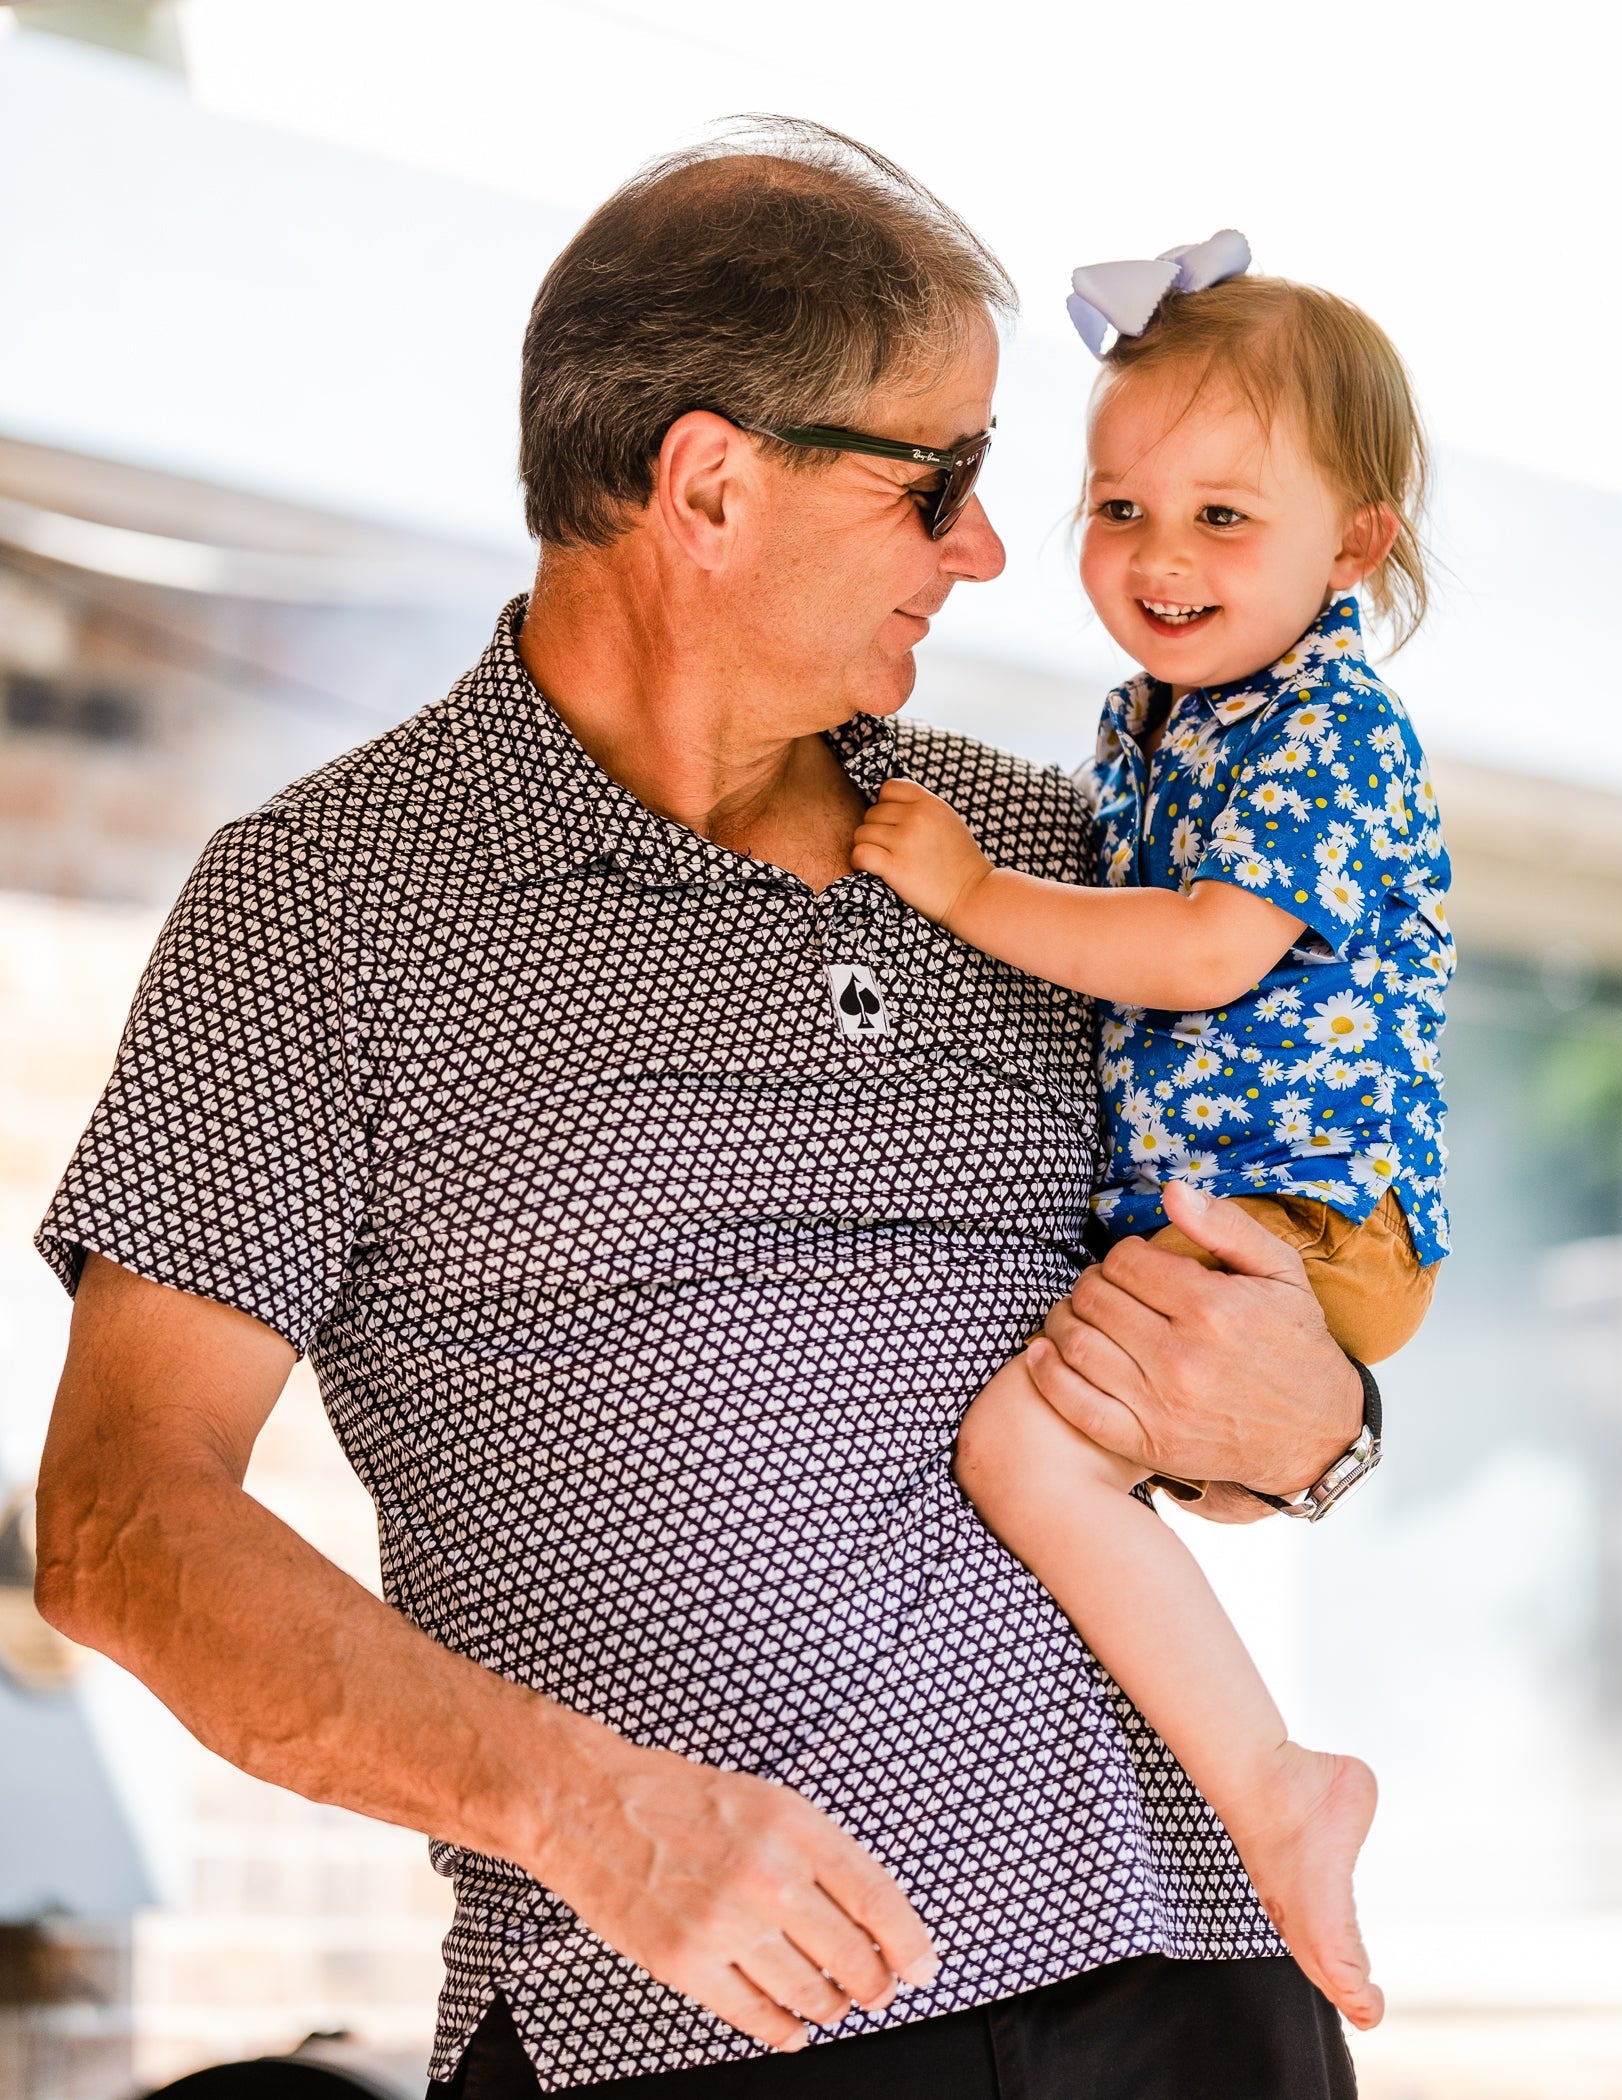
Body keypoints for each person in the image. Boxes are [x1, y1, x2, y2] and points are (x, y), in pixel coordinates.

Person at [32, 128, 1375, 2098]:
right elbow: (121, 1527)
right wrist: (595, 1818)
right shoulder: (317, 903)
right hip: (694, 2023)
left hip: (1200, 1975)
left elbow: (1286, 1319)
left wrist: (1316, 1425)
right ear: (711, 483)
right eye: (944, 480)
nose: (990, 550)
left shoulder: (1053, 862)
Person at [855, 236, 1454, 2032]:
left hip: (1302, 1213)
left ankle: (1273, 1783)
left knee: (1027, 1465)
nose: (1159, 558)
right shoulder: (1159, 724)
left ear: (1354, 546)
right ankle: (1245, 1778)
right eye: (1121, 506)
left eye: (1222, 517)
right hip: (1240, 1201)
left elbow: (1204, 946)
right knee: (1060, 1466)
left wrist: (972, 894)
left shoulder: (1328, 729)